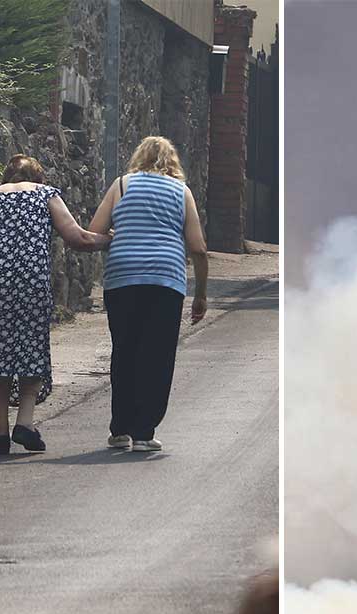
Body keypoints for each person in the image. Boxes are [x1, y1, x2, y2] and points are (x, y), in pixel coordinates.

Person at [0, 154, 111, 455]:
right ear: (39, 178)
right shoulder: (45, 194)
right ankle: (25, 424)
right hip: (30, 281)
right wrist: (110, 238)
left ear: (5, 178)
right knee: (30, 347)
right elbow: (77, 237)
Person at [85, 135, 209, 452]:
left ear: (138, 158)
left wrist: (118, 234)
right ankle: (144, 431)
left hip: (122, 278)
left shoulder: (122, 185)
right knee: (157, 354)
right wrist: (201, 294)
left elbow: (95, 230)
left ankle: (120, 429)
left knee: (124, 351)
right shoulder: (182, 193)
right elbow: (198, 248)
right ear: (173, 162)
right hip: (165, 281)